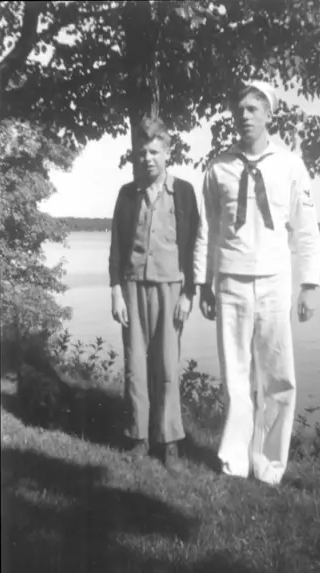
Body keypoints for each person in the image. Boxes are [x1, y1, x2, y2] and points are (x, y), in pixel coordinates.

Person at [193, 80, 320, 486]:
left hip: (274, 281)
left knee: (278, 375)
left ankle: (270, 465)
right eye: (240, 109)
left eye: (253, 109)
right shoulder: (218, 168)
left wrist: (309, 284)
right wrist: (203, 282)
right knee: (236, 375)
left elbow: (306, 228)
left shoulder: (290, 165)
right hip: (230, 281)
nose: (244, 116)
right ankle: (234, 462)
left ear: (269, 115)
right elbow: (207, 230)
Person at [108, 115, 201, 473]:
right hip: (132, 286)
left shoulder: (184, 192)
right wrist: (116, 291)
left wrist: (189, 294)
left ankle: (170, 440)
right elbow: (117, 246)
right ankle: (138, 437)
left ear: (167, 153)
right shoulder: (127, 194)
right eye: (142, 152)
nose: (147, 158)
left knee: (167, 366)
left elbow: (193, 246)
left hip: (171, 288)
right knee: (135, 365)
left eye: (154, 152)